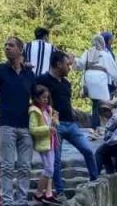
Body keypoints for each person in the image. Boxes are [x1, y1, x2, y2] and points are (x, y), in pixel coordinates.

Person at [37, 49, 100, 196]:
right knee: (56, 160)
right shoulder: (42, 81)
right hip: (54, 125)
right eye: (67, 64)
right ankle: (59, 192)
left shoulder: (66, 83)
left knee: (88, 150)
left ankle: (95, 180)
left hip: (70, 123)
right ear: (58, 64)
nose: (69, 67)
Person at [0, 36, 37, 206]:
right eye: (6, 45)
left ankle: (21, 201)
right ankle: (7, 202)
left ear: (20, 50)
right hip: (7, 123)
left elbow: (36, 96)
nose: (7, 48)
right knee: (7, 165)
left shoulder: (29, 73)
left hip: (25, 124)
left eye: (11, 45)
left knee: (25, 166)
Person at [76, 33, 117, 128]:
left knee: (95, 103)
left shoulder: (87, 52)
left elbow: (79, 65)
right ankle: (104, 126)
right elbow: (114, 70)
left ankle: (95, 125)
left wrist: (73, 60)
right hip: (101, 81)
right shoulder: (105, 54)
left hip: (89, 81)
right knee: (105, 104)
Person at [28, 83, 59, 205]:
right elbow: (33, 129)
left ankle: (47, 193)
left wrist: (55, 121)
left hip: (51, 141)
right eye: (43, 98)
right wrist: (47, 129)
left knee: (50, 168)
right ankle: (39, 192)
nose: (46, 100)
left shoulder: (48, 110)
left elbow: (53, 122)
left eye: (47, 98)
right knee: (49, 169)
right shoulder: (34, 112)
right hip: (43, 143)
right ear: (36, 98)